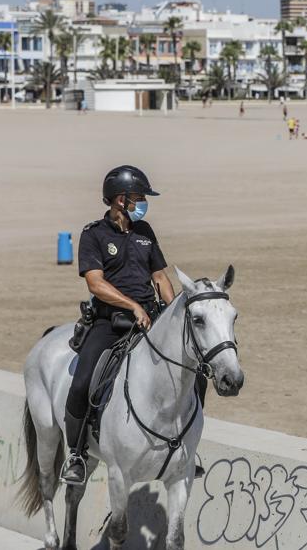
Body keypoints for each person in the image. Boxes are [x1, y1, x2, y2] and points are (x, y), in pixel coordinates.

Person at [62, 165, 176, 486]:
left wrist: (171, 309)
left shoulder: (145, 232)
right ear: (120, 200)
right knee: (83, 382)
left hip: (148, 321)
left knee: (183, 371)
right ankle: (77, 454)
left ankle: (179, 449)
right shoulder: (93, 235)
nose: (142, 203)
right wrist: (132, 305)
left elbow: (160, 277)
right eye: (138, 198)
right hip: (109, 323)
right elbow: (96, 284)